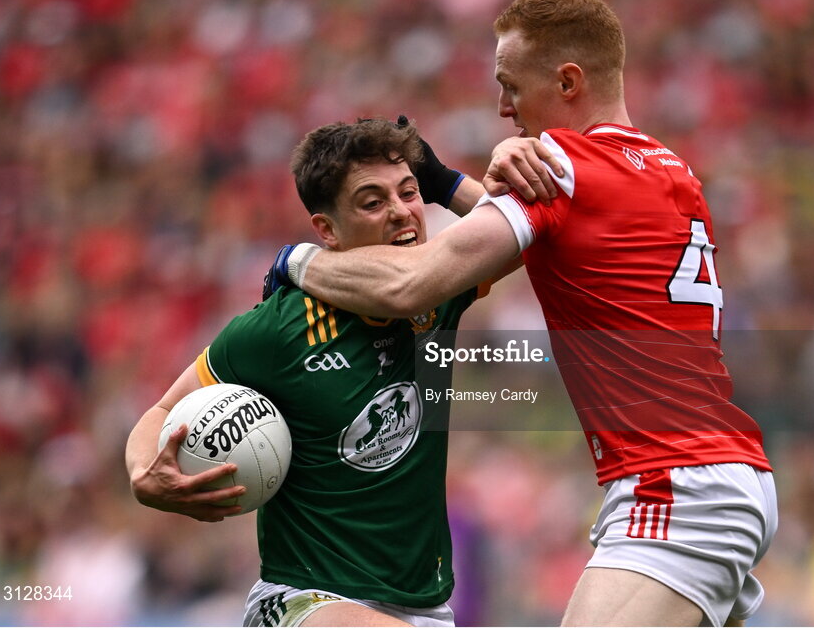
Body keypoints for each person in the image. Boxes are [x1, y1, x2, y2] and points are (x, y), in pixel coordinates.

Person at [264, 0, 778, 627]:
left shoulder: (564, 166)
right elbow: (555, 232)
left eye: (510, 86)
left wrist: (297, 261)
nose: (502, 107)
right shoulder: (664, 165)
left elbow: (410, 286)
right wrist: (449, 182)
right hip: (726, 471)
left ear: (567, 81)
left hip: (674, 482)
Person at [125, 117, 546, 627]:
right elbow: (165, 409)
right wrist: (144, 475)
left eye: (408, 193)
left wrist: (445, 184)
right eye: (372, 202)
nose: (399, 212)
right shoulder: (278, 329)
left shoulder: (438, 294)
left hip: (424, 609)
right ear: (327, 230)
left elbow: (532, 240)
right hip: (306, 601)